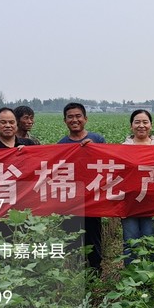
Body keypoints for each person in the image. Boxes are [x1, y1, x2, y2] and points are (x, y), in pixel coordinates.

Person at [57, 103, 106, 271]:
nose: (74, 120)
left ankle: (95, 271)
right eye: (70, 117)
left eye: (78, 116)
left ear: (85, 119)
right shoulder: (61, 144)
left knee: (93, 235)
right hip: (70, 199)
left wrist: (95, 149)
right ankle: (75, 272)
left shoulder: (97, 139)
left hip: (92, 197)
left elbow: (108, 163)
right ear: (65, 121)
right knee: (71, 237)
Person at [121, 109, 154, 266]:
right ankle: (130, 275)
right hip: (129, 202)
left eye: (145, 122)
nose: (141, 125)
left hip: (152, 202)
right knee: (130, 240)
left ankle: (151, 273)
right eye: (137, 122)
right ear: (131, 126)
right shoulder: (122, 149)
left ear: (151, 125)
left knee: (150, 239)